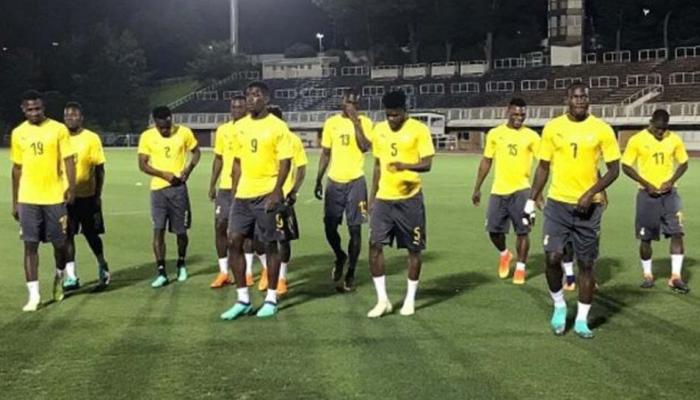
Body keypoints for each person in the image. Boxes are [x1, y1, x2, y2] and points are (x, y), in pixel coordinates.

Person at [526, 82, 621, 338]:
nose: (580, 100)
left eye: (584, 97)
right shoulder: (553, 127)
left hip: (590, 208)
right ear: (567, 99)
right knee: (552, 258)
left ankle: (581, 320)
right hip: (558, 204)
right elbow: (543, 167)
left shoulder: (602, 129)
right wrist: (531, 200)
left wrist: (591, 193)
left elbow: (614, 169)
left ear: (589, 100)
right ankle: (559, 306)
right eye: (575, 96)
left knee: (586, 265)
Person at [220, 81, 293, 320]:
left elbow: (285, 162)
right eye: (248, 95)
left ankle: (271, 298)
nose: (251, 99)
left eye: (256, 95)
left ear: (266, 99)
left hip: (266, 193)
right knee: (234, 242)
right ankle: (243, 299)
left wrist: (277, 191)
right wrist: (234, 192)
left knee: (270, 244)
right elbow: (237, 162)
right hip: (243, 195)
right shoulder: (240, 126)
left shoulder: (278, 126)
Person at [367, 90, 435, 318]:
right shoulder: (379, 130)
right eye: (388, 115)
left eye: (396, 115)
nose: (392, 119)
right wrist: (372, 197)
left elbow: (427, 163)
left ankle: (410, 299)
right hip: (384, 200)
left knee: (413, 249)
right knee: (375, 246)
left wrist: (405, 166)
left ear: (405, 111)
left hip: (410, 200)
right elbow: (378, 165)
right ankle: (382, 300)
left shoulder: (419, 130)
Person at [10, 90, 76, 311]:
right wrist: (15, 201)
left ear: (43, 107)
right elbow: (17, 169)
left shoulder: (58, 129)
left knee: (60, 244)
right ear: (23, 110)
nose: (34, 113)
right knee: (30, 246)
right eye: (30, 109)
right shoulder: (18, 133)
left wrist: (71, 188)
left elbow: (68, 160)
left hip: (54, 196)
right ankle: (34, 295)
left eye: (37, 108)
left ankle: (59, 277)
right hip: (28, 198)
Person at [472, 98, 540, 284]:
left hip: (522, 190)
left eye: (522, 114)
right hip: (499, 190)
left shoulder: (532, 136)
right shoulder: (495, 134)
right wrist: (477, 188)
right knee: (493, 231)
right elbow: (486, 161)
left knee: (523, 231)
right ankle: (505, 254)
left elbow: (542, 165)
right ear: (507, 111)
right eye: (515, 114)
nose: (519, 118)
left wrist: (537, 193)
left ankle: (520, 268)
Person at [621, 109, 689, 293]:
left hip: (670, 195)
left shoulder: (674, 139)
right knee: (646, 237)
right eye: (658, 128)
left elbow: (684, 163)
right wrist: (645, 183)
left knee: (677, 233)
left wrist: (671, 181)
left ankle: (675, 277)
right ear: (650, 123)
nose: (660, 132)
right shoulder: (636, 140)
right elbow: (625, 166)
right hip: (646, 195)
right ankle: (648, 275)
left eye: (664, 129)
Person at [315, 90, 373, 292]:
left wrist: (356, 122)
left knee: (355, 229)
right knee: (329, 227)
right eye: (349, 102)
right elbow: (326, 153)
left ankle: (351, 273)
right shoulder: (331, 123)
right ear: (342, 102)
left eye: (355, 103)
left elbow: (364, 147)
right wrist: (318, 179)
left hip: (356, 181)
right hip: (334, 181)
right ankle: (340, 255)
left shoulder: (365, 122)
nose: (351, 106)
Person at [137, 106, 200, 288]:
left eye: (167, 126)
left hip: (178, 190)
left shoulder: (184, 132)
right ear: (155, 123)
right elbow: (142, 165)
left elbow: (196, 151)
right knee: (158, 230)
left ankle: (181, 263)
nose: (164, 130)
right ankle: (162, 272)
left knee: (181, 231)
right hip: (158, 191)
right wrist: (163, 174)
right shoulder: (147, 136)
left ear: (171, 120)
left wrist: (188, 169)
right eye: (161, 127)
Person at [62, 102, 110, 291]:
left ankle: (102, 265)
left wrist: (98, 195)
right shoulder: (60, 137)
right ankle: (71, 276)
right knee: (66, 235)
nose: (70, 119)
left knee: (91, 234)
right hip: (64, 197)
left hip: (87, 196)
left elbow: (99, 169)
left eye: (74, 115)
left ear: (81, 118)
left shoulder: (91, 138)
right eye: (67, 116)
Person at [208, 95, 247, 288]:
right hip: (225, 188)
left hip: (246, 187)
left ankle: (248, 272)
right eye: (233, 107)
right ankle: (224, 272)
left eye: (240, 107)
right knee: (220, 226)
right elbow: (218, 158)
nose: (236, 110)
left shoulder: (250, 129)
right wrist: (212, 184)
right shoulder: (223, 130)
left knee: (245, 232)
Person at [269, 105, 307, 296]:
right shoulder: (263, 137)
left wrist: (293, 191)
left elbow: (301, 168)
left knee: (283, 239)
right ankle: (268, 273)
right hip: (260, 194)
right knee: (262, 238)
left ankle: (282, 278)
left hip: (282, 197)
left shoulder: (292, 140)